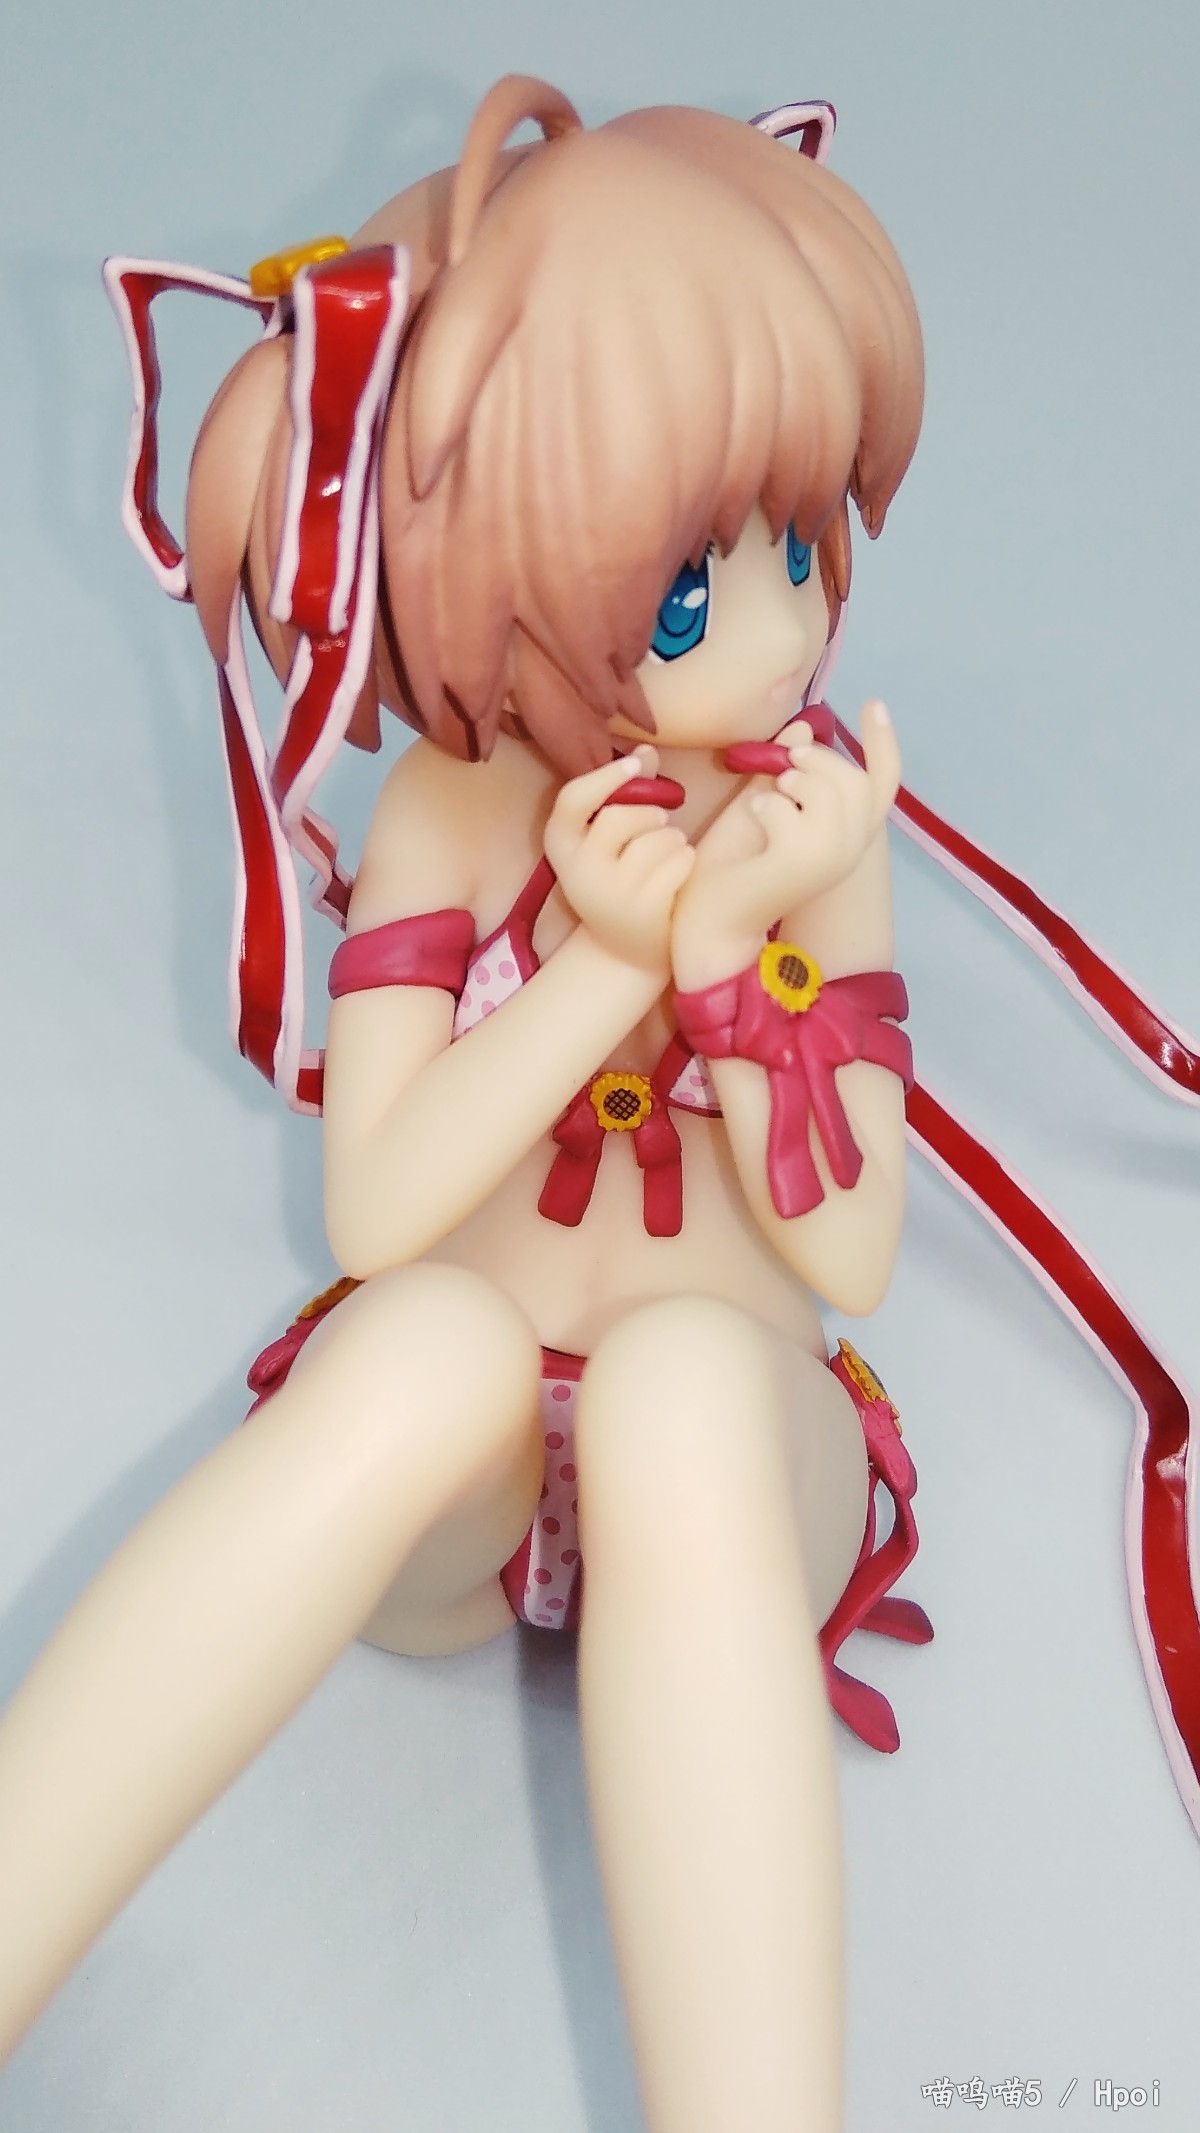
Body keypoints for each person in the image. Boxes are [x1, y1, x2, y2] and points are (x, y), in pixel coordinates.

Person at [3, 71, 1194, 2133]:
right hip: (454, 1485)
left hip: (740, 1471)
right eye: (692, 593)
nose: (789, 630)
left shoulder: (811, 823)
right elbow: (379, 1213)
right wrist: (606, 964)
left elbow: (849, 1249)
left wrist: (730, 952)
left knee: (682, 1391)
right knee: (416, 1347)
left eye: (805, 543)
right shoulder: (456, 805)